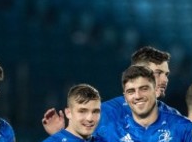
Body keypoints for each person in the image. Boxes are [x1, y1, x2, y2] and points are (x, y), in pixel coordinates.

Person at [41, 46, 177, 135]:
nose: (165, 80)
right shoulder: (106, 114)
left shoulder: (174, 117)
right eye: (158, 73)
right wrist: (59, 135)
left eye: (166, 74)